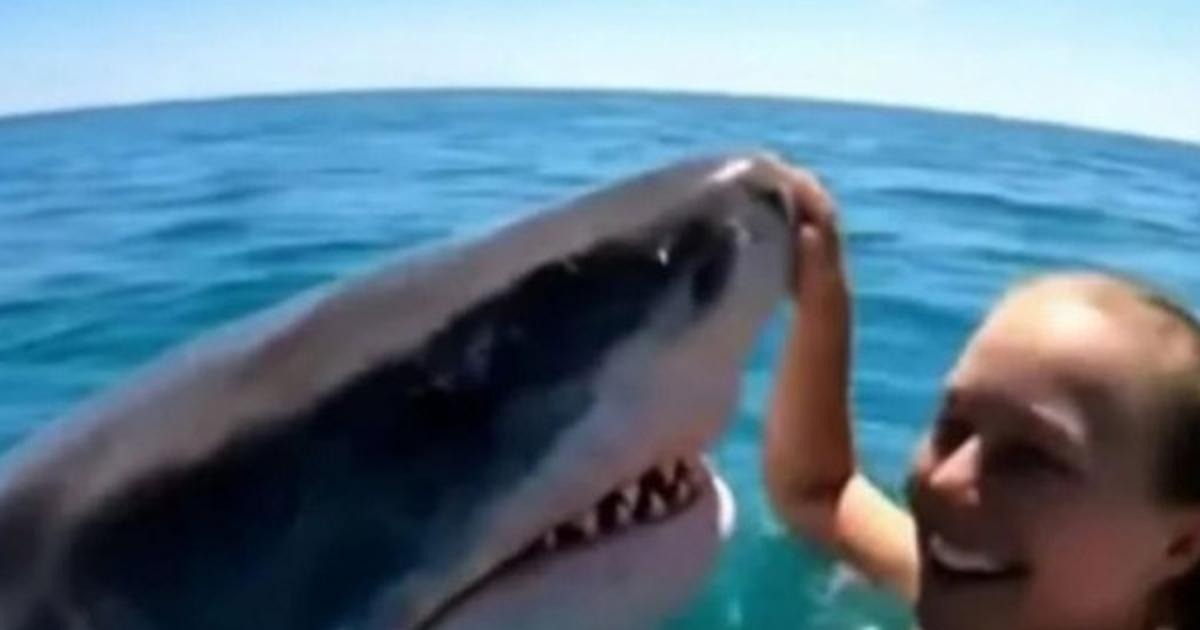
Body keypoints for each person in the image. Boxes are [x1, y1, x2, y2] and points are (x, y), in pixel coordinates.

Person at [764, 172, 1200, 630]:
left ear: (1182, 546)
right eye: (951, 430)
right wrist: (822, 290)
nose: (946, 479)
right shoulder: (978, 588)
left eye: (1030, 459)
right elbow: (818, 495)